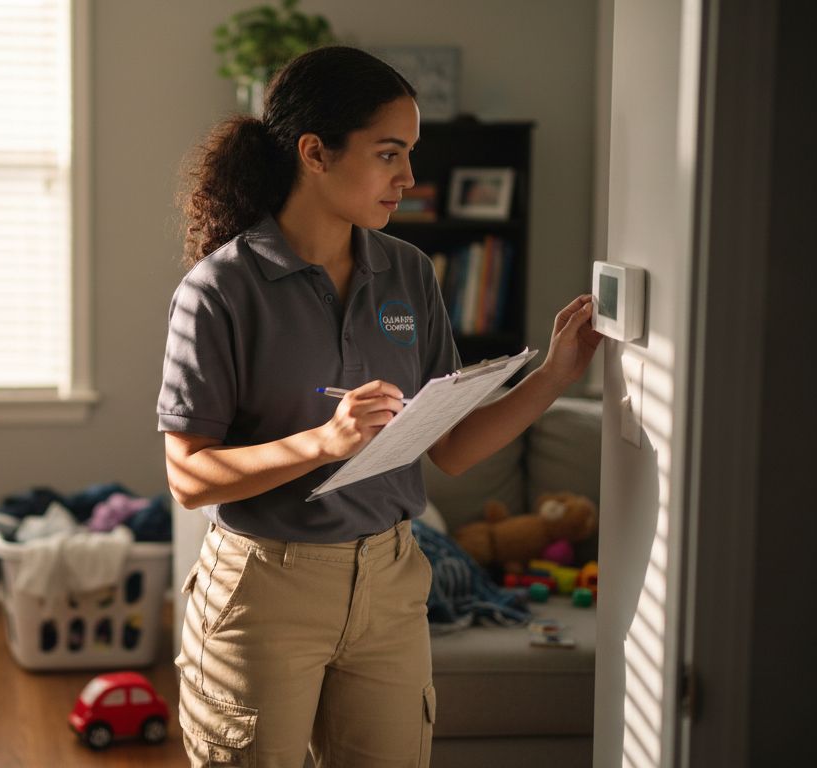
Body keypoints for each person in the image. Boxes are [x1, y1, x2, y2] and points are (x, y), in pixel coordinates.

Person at [156, 46, 602, 768]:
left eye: (411, 154)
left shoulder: (409, 272)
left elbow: (452, 448)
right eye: (389, 153)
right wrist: (322, 444)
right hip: (266, 590)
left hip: (393, 581)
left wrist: (552, 375)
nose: (409, 178)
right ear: (315, 154)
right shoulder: (219, 291)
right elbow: (187, 477)